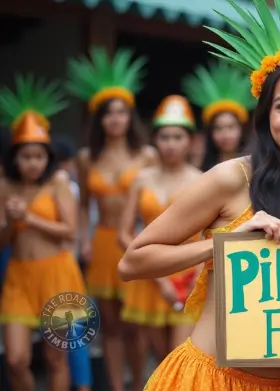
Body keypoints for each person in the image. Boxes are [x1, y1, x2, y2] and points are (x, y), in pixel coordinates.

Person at [117, 0, 280, 389]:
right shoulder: (231, 178)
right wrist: (223, 245)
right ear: (266, 117)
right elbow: (132, 263)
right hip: (207, 379)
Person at [65, 47, 157, 391]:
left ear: (129, 117)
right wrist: (83, 242)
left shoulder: (146, 155)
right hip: (103, 242)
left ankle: (139, 384)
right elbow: (83, 204)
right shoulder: (87, 157)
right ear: (99, 119)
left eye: (121, 112)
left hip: (136, 240)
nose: (115, 119)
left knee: (136, 325)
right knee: (112, 327)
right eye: (108, 114)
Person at [0, 75, 85, 391]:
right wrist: (10, 221)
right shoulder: (5, 187)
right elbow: (2, 240)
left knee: (55, 359)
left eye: (39, 156)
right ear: (15, 158)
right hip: (19, 278)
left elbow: (69, 230)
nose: (33, 163)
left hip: (58, 274)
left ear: (47, 158)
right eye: (26, 156)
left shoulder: (58, 183)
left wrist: (29, 218)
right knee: (15, 359)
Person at [117, 95, 202, 389]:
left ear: (190, 141)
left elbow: (211, 237)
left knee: (180, 359)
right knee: (157, 356)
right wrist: (159, 277)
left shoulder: (202, 180)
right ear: (155, 139)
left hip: (190, 278)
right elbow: (124, 233)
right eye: (164, 136)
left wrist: (199, 276)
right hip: (151, 277)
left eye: (178, 137)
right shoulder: (142, 179)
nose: (171, 144)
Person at [52, 134, 93, 391]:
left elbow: (72, 230)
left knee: (73, 333)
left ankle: (83, 385)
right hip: (66, 264)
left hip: (67, 266)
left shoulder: (68, 187)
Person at [183, 61, 255, 171]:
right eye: (218, 128)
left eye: (231, 127)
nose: (225, 134)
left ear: (241, 129)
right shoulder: (200, 168)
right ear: (210, 132)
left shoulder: (254, 166)